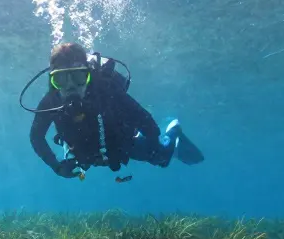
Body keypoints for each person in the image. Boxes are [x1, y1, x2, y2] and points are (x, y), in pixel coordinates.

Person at [24, 42, 204, 179]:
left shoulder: (105, 90)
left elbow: (147, 121)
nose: (70, 86)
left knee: (162, 158)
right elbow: (36, 137)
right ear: (52, 81)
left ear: (88, 75)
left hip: (121, 145)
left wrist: (154, 148)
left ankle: (173, 131)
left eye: (78, 76)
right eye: (61, 79)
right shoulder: (50, 101)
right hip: (84, 152)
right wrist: (56, 166)